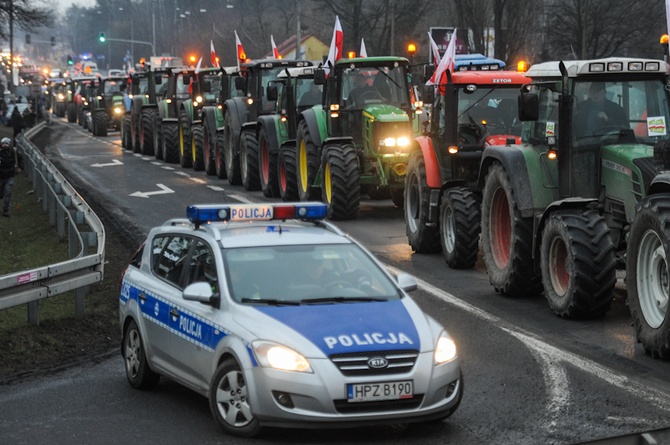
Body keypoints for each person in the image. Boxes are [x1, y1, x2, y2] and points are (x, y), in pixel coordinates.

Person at [0, 137, 24, 217]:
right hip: (1, 176)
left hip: (10, 176)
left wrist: (20, 167)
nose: (5, 145)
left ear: (9, 144)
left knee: (8, 192)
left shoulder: (14, 151)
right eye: (3, 144)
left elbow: (21, 159)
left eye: (6, 144)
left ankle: (5, 210)